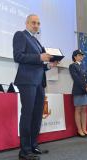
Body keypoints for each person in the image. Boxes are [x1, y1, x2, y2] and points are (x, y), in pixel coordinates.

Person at [13, 14, 58, 160]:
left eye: (38, 23)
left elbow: (39, 65)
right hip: (27, 81)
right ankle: (24, 151)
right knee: (27, 114)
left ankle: (33, 145)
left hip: (39, 82)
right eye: (33, 22)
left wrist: (49, 65)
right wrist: (39, 57)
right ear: (26, 23)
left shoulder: (37, 41)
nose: (36, 25)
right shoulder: (20, 35)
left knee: (37, 115)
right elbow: (18, 56)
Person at [69, 49, 87, 138]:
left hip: (86, 91)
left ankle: (84, 129)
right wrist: (85, 86)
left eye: (82, 55)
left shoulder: (84, 66)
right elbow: (76, 79)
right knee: (78, 110)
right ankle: (79, 130)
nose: (81, 56)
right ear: (75, 57)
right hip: (79, 90)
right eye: (79, 55)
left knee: (84, 110)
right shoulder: (72, 66)